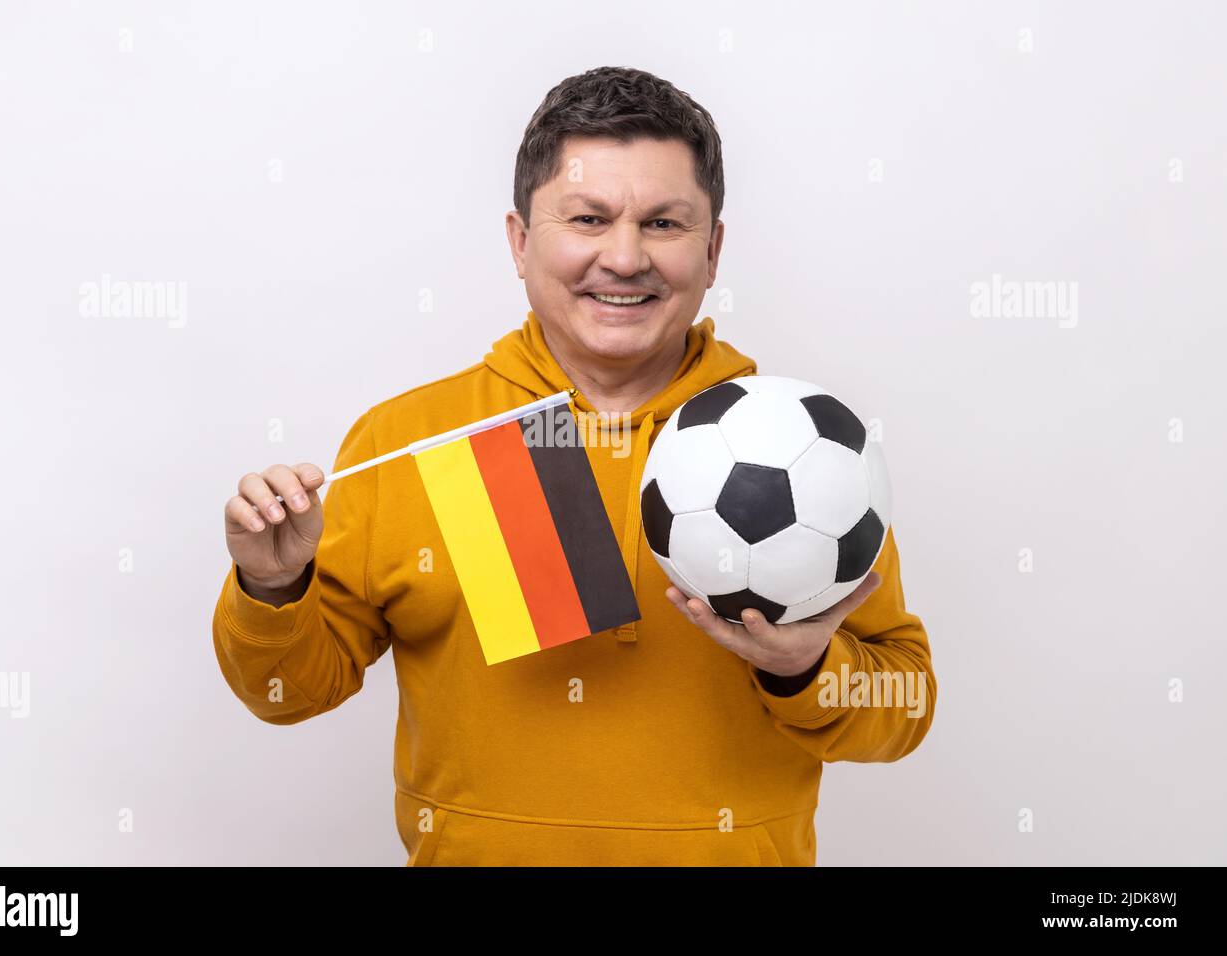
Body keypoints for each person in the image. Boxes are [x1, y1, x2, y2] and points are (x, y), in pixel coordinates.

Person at [213, 65, 936, 866]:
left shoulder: (803, 450)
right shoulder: (415, 438)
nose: (625, 259)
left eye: (664, 224)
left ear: (713, 247)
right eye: (588, 218)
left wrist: (808, 669)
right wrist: (273, 588)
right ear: (521, 241)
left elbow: (901, 707)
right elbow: (289, 694)